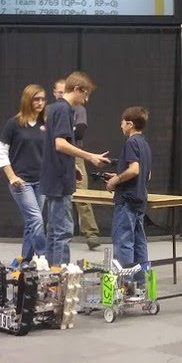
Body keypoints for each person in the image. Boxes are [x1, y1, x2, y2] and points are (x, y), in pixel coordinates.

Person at [41, 72, 110, 267]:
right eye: (86, 94)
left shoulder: (54, 108)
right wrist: (90, 156)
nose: (86, 100)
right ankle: (61, 275)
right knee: (63, 230)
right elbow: (60, 144)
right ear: (77, 89)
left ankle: (53, 273)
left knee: (54, 230)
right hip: (59, 180)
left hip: (54, 175)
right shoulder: (64, 110)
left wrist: (72, 166)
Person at [0, 84, 49, 264]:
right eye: (36, 99)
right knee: (36, 220)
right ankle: (43, 257)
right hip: (21, 182)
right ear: (27, 100)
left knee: (31, 223)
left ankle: (26, 260)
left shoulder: (45, 125)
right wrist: (12, 177)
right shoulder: (14, 124)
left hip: (41, 182)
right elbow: (1, 152)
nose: (40, 102)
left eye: (43, 99)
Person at [104, 106, 153, 282]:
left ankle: (125, 285)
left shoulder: (131, 143)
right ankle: (140, 283)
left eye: (122, 123)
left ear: (130, 124)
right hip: (140, 200)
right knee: (139, 244)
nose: (121, 126)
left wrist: (114, 181)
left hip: (126, 200)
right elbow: (147, 174)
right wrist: (118, 174)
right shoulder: (145, 145)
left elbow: (134, 170)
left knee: (123, 242)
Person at [67, 76, 102, 251]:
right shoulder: (53, 110)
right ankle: (54, 235)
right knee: (56, 197)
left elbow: (79, 132)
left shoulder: (79, 109)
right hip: (58, 156)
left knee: (82, 195)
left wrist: (66, 133)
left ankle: (91, 234)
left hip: (76, 154)